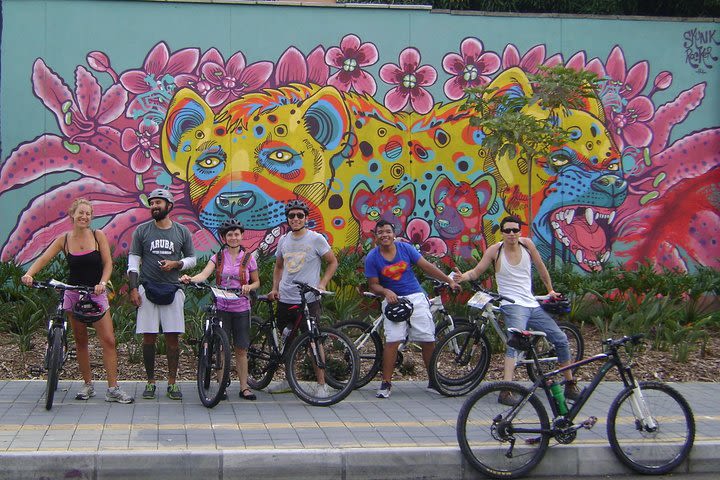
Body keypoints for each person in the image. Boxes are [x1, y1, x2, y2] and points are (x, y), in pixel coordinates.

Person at [451, 215, 581, 406]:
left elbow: (541, 267)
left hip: (531, 304)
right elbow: (477, 271)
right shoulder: (495, 250)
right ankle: (505, 391)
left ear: (520, 232)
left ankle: (570, 384)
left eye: (515, 230)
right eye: (507, 230)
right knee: (515, 343)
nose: (512, 234)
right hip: (512, 304)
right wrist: (463, 277)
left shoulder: (527, 245)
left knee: (560, 339)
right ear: (502, 233)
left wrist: (550, 290)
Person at [21, 198, 134, 403]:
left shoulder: (97, 235)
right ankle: (87, 385)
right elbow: (44, 258)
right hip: (73, 293)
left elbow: (108, 263)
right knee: (81, 341)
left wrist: (102, 282)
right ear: (72, 215)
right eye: (81, 213)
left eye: (88, 214)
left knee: (108, 340)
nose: (84, 217)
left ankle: (113, 388)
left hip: (96, 292)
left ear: (91, 217)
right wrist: (29, 274)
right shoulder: (63, 240)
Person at [365, 219, 460, 399]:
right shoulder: (372, 257)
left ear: (394, 234)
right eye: (380, 232)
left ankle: (433, 380)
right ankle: (386, 383)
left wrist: (449, 281)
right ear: (376, 236)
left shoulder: (405, 249)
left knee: (427, 339)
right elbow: (373, 285)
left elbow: (426, 266)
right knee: (393, 340)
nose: (384, 235)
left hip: (415, 296)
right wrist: (386, 291)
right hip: (393, 300)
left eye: (387, 231)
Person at [127, 188, 196, 400]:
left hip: (172, 289)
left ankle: (172, 383)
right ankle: (150, 382)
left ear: (169, 206)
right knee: (148, 338)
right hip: (147, 288)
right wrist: (133, 288)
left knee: (172, 338)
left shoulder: (182, 232)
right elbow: (133, 261)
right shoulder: (142, 231)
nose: (155, 206)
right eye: (152, 203)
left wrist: (177, 264)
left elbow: (193, 259)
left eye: (159, 202)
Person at [180, 219, 260, 400]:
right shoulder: (218, 258)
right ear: (224, 237)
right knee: (222, 348)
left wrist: (249, 287)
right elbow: (203, 275)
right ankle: (221, 385)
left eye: (236, 234)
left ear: (241, 236)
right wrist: (190, 279)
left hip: (241, 308)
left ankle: (244, 387)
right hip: (222, 306)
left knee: (241, 349)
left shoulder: (249, 258)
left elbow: (257, 281)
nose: (233, 238)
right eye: (230, 235)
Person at [266, 199, 338, 397]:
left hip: (308, 300)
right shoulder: (283, 240)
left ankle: (322, 385)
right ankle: (288, 380)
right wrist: (275, 288)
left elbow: (332, 262)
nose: (295, 219)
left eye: (299, 215)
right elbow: (279, 266)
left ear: (306, 218)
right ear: (287, 219)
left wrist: (322, 284)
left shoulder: (316, 239)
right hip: (285, 298)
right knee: (287, 340)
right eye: (291, 216)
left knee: (314, 341)